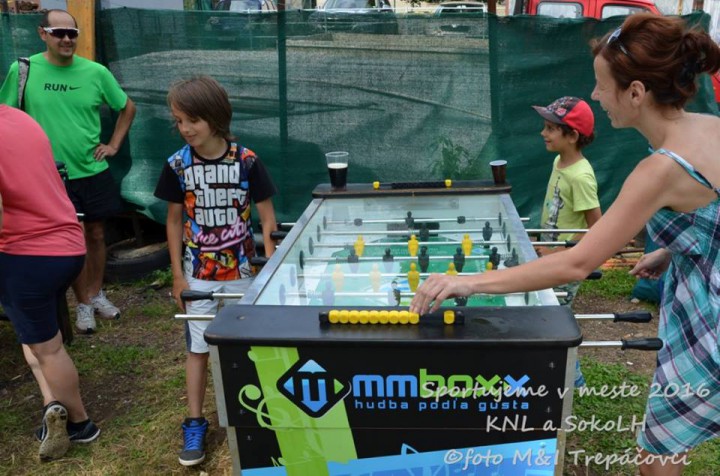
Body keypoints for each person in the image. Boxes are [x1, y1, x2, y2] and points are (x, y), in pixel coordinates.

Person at [411, 14, 720, 476]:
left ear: (636, 92)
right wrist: (679, 247)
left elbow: (577, 262)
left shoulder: (661, 169)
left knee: (657, 457)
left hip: (708, 321)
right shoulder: (711, 127)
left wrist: (467, 282)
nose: (595, 96)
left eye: (601, 86)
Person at [154, 76, 278, 467]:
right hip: (198, 277)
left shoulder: (247, 161)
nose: (185, 128)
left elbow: (267, 219)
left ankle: (261, 415)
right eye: (178, 121)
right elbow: (174, 222)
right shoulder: (177, 165)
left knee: (251, 347)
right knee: (198, 349)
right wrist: (178, 275)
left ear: (216, 117)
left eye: (192, 120)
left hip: (243, 273)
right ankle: (194, 422)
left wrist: (271, 270)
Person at [0, 9, 137, 334]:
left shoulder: (96, 72)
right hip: (48, 176)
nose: (66, 39)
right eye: (58, 33)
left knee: (97, 234)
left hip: (92, 170)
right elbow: (5, 116)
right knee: (72, 238)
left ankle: (96, 293)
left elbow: (127, 107)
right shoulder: (23, 70)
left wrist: (113, 145)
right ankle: (83, 305)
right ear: (42, 34)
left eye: (72, 33)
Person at [0, 105, 100, 461]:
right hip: (68, 243)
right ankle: (51, 403)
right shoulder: (20, 119)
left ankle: (81, 423)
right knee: (35, 333)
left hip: (26, 255)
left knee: (48, 348)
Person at [532, 96, 602, 388]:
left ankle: (575, 380)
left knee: (557, 320)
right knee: (545, 314)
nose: (543, 133)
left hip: (567, 261)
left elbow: (595, 227)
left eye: (551, 128)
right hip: (551, 256)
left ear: (572, 135)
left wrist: (559, 251)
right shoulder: (558, 162)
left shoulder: (581, 176)